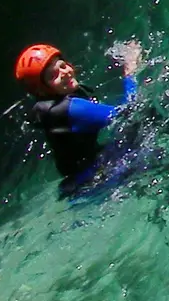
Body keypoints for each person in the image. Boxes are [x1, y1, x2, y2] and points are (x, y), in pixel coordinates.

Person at [15, 39, 146, 193]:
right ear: (42, 90)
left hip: (78, 181)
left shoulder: (48, 107)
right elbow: (132, 111)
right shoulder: (74, 110)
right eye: (53, 76)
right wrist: (130, 72)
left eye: (62, 66)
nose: (65, 73)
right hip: (95, 181)